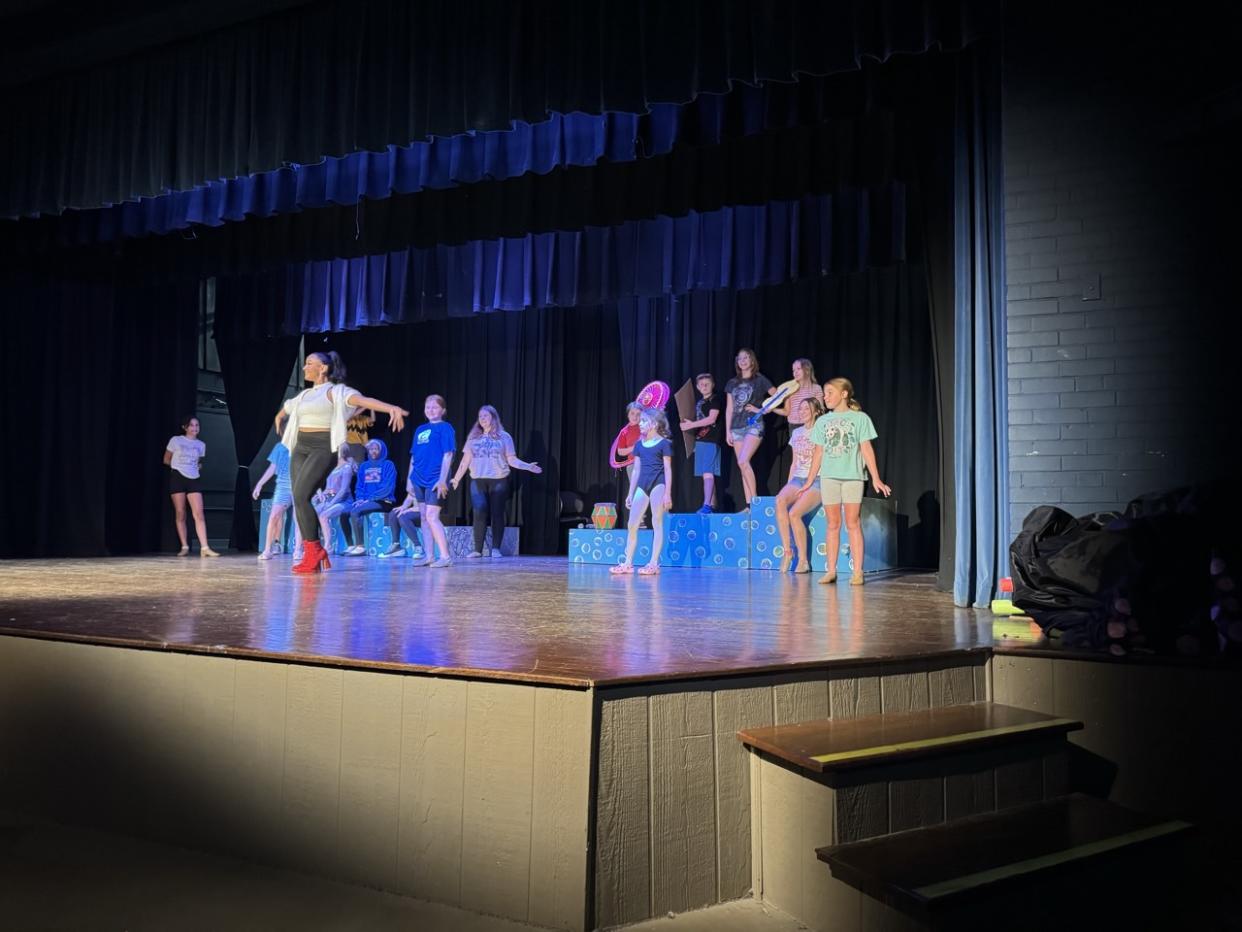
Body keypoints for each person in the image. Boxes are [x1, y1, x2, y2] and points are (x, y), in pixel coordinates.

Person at [273, 351, 408, 575]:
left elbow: (364, 401)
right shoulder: (304, 395)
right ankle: (313, 552)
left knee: (301, 495)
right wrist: (279, 417)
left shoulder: (336, 391)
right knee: (299, 499)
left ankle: (314, 551)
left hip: (322, 446)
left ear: (323, 368)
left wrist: (390, 408)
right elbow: (288, 407)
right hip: (300, 447)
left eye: (309, 364)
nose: (304, 367)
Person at [797, 378, 892, 586]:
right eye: (824, 393)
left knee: (853, 522)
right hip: (829, 478)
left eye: (830, 392)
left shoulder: (860, 418)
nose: (825, 396)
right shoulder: (822, 422)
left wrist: (876, 478)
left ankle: (857, 572)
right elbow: (818, 453)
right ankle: (831, 570)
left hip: (853, 477)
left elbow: (866, 449)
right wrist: (809, 480)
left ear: (844, 394)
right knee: (833, 524)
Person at [450, 405, 542, 558]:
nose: (482, 419)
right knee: (479, 511)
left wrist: (527, 467)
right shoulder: (473, 437)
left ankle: (496, 548)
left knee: (497, 513)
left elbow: (511, 459)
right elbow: (465, 461)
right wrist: (456, 478)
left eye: (485, 416)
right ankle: (477, 550)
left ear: (493, 417)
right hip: (477, 480)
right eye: (480, 417)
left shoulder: (504, 437)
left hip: (499, 480)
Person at [611, 408, 673, 577]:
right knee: (632, 524)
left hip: (658, 484)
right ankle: (628, 563)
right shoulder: (639, 444)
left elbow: (667, 469)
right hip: (642, 485)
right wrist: (630, 493)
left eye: (644, 421)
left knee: (656, 522)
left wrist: (668, 493)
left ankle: (653, 563)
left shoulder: (664, 443)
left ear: (653, 424)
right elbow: (636, 470)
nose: (640, 424)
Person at [774, 396, 826, 573]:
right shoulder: (796, 433)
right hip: (799, 478)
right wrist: (789, 486)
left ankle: (803, 561)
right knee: (780, 500)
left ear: (816, 411)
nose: (802, 412)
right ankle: (788, 552)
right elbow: (794, 463)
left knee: (794, 514)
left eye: (806, 409)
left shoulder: (822, 430)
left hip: (819, 479)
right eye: (800, 409)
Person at [408, 395, 456, 568]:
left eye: (434, 407)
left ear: (443, 410)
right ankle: (429, 556)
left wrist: (443, 480)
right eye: (428, 407)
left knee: (432, 516)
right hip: (418, 478)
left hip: (435, 479)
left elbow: (448, 454)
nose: (430, 410)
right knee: (423, 517)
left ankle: (445, 556)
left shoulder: (445, 428)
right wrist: (409, 479)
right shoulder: (420, 429)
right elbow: (413, 456)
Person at [724, 348, 775, 510]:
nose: (743, 361)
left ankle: (755, 503)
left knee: (743, 461)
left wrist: (762, 409)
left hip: (754, 424)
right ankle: (749, 506)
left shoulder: (760, 380)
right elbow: (729, 408)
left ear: (752, 360)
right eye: (740, 359)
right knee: (742, 466)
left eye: (746, 358)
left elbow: (777, 396)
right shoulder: (732, 383)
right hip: (736, 428)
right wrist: (727, 431)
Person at [164, 415, 218, 557]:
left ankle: (205, 547)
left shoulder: (201, 445)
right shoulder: (176, 440)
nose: (195, 428)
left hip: (193, 478)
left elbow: (199, 462)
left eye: (197, 425)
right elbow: (166, 459)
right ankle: (184, 546)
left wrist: (196, 466)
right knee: (181, 513)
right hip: (177, 477)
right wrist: (178, 467)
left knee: (199, 513)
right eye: (192, 425)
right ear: (185, 427)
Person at [343, 439, 398, 556]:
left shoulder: (388, 465)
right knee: (344, 512)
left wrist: (370, 499)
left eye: (376, 449)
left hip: (384, 501)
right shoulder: (364, 466)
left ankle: (361, 546)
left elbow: (388, 487)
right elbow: (360, 486)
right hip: (366, 501)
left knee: (356, 511)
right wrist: (360, 499)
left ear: (381, 450)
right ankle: (351, 545)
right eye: (371, 449)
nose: (373, 451)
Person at [679, 373, 722, 514]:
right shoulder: (699, 403)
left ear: (713, 385)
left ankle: (707, 506)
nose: (704, 386)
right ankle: (712, 505)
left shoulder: (715, 400)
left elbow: (711, 419)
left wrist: (691, 425)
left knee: (708, 473)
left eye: (707, 384)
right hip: (701, 441)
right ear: (697, 387)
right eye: (701, 384)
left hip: (711, 440)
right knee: (706, 473)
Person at [307, 447, 357, 558]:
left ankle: (328, 546)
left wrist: (332, 503)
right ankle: (312, 544)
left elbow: (343, 490)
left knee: (324, 516)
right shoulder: (332, 467)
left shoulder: (347, 468)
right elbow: (329, 488)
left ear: (342, 452)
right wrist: (321, 495)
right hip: (330, 499)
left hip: (344, 501)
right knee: (310, 513)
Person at [252, 440, 293, 560]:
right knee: (275, 515)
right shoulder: (279, 447)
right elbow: (272, 467)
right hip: (282, 486)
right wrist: (259, 484)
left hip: (297, 485)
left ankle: (298, 550)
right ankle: (268, 549)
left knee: (298, 517)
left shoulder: (300, 445)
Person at [615, 403, 643, 527]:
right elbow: (620, 451)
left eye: (638, 414)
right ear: (628, 415)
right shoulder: (624, 432)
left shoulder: (645, 427)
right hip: (632, 465)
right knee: (636, 491)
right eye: (632, 413)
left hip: (647, 463)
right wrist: (633, 448)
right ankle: (639, 519)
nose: (635, 416)